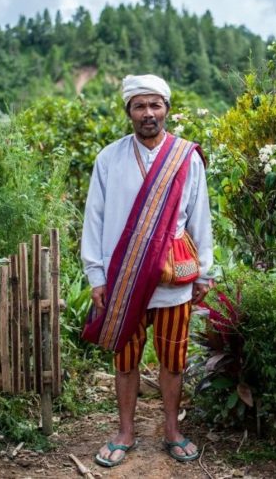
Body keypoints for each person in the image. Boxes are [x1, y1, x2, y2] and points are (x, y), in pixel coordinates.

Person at [80, 74, 213, 467]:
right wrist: (95, 275)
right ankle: (125, 432)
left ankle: (172, 430)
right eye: (140, 106)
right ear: (129, 112)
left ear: (167, 109)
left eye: (155, 105)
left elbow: (201, 218)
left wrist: (204, 271)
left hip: (173, 281)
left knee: (173, 360)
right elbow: (94, 219)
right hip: (123, 281)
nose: (148, 113)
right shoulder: (109, 158)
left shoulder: (186, 157)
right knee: (125, 359)